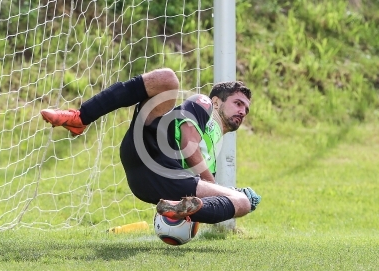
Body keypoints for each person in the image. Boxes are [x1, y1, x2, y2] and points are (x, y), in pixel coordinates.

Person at [41, 68, 261, 224]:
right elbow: (187, 143)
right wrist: (221, 192)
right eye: (238, 103)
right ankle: (81, 117)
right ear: (216, 102)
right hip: (149, 144)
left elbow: (197, 193)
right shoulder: (203, 104)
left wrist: (191, 216)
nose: (242, 111)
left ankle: (175, 211)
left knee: (242, 202)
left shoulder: (214, 151)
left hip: (160, 179)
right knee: (167, 79)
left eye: (246, 109)